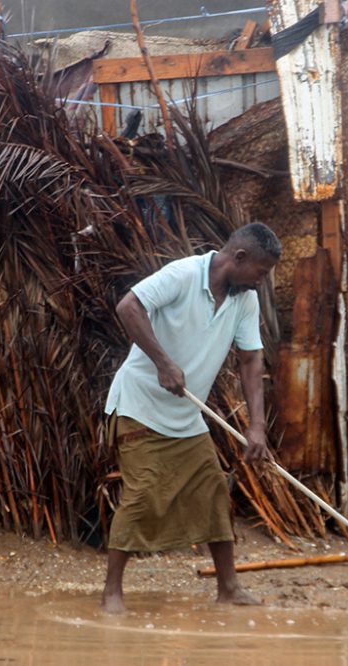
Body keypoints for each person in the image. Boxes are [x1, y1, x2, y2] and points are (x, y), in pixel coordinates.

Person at [101, 222, 282, 614]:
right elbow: (128, 306)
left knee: (214, 492)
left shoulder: (243, 300)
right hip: (140, 406)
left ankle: (228, 587)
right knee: (143, 494)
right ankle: (112, 592)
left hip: (186, 417)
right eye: (261, 272)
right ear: (239, 258)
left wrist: (257, 426)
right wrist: (163, 363)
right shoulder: (183, 275)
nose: (262, 282)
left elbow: (251, 360)